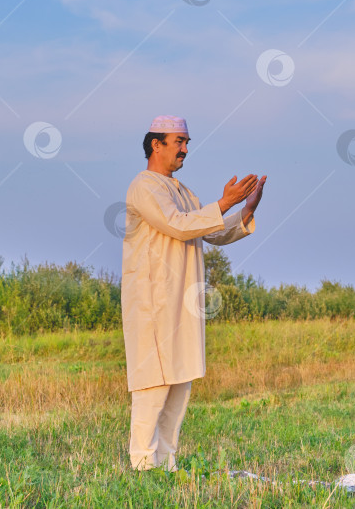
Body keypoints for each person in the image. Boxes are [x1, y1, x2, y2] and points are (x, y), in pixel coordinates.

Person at [121, 115, 266, 472]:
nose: (185, 149)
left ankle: (166, 464)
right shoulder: (144, 186)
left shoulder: (184, 191)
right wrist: (223, 203)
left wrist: (244, 210)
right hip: (152, 301)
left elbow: (210, 232)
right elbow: (177, 224)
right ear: (156, 144)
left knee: (179, 383)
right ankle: (142, 464)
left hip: (182, 301)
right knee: (153, 384)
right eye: (179, 142)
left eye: (187, 142)